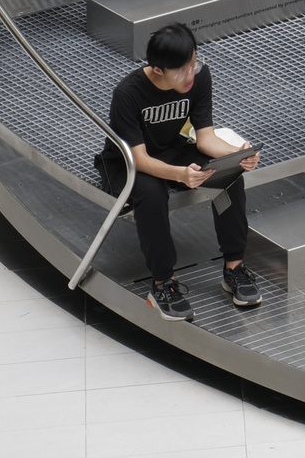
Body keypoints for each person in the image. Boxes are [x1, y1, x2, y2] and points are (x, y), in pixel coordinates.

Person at [107, 23, 261, 321]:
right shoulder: (128, 94)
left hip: (173, 148)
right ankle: (162, 283)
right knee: (152, 195)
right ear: (158, 69)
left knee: (228, 176)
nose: (190, 75)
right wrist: (179, 174)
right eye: (181, 71)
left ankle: (234, 266)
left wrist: (239, 155)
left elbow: (205, 138)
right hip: (128, 161)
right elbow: (139, 158)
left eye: (193, 63)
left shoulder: (200, 76)